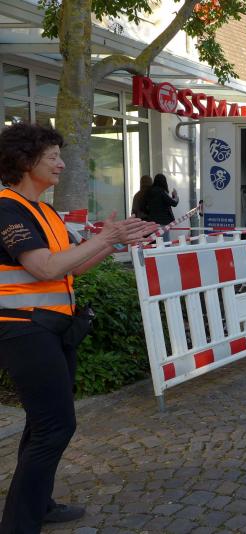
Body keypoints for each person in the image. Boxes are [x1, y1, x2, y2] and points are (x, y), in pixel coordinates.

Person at [0, 123, 157, 533]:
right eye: (52, 157)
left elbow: (73, 267)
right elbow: (45, 268)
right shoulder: (7, 209)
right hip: (23, 330)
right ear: (25, 161)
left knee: (42, 424)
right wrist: (105, 238)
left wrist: (114, 243)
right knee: (56, 426)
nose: (61, 164)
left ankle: (39, 504)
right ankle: (19, 523)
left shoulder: (44, 211)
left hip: (51, 328)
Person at [142, 173, 179, 240]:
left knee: (155, 242)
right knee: (165, 242)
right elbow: (174, 203)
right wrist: (175, 196)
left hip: (152, 222)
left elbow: (144, 207)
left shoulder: (149, 192)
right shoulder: (162, 192)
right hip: (163, 222)